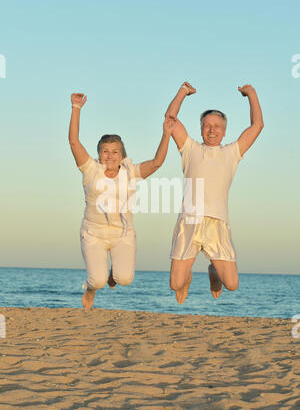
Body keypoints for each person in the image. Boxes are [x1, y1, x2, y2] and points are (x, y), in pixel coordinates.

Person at [68, 93, 175, 310]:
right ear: (99, 154)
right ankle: (90, 289)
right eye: (105, 152)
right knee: (97, 281)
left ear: (122, 154)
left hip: (123, 235)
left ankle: (113, 275)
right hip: (93, 234)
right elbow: (73, 141)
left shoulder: (130, 172)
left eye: (115, 152)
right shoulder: (90, 169)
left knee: (124, 278)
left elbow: (156, 162)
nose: (110, 156)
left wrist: (166, 134)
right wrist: (76, 108)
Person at [165, 81, 264, 304]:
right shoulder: (190, 149)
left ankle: (214, 272)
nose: (212, 130)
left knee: (232, 284)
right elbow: (170, 120)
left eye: (217, 126)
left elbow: (257, 125)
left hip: (217, 223)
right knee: (175, 284)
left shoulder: (232, 152)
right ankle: (187, 278)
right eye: (207, 125)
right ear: (201, 129)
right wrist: (182, 91)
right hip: (189, 222)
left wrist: (251, 94)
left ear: (224, 131)